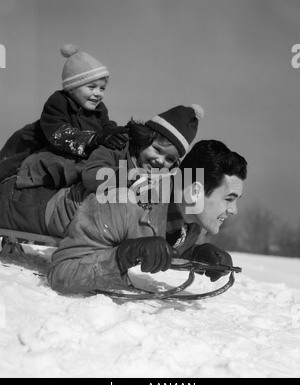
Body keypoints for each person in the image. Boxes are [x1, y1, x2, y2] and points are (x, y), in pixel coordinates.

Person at [46, 139, 247, 295]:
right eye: (228, 199)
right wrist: (122, 256)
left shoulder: (190, 214)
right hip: (38, 207)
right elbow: (61, 274)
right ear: (195, 191)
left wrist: (196, 254)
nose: (233, 210)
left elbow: (160, 230)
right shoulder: (122, 203)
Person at [0, 104, 203, 236]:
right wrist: (130, 178)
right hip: (47, 195)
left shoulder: (164, 178)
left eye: (170, 159)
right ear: (145, 140)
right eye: (157, 150)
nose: (160, 161)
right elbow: (91, 176)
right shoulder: (117, 148)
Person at [0, 44, 127, 183]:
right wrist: (93, 139)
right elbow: (60, 134)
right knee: (9, 174)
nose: (98, 93)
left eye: (102, 88)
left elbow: (106, 126)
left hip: (66, 150)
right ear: (72, 88)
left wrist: (116, 133)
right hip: (30, 144)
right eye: (91, 87)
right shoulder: (58, 102)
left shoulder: (99, 108)